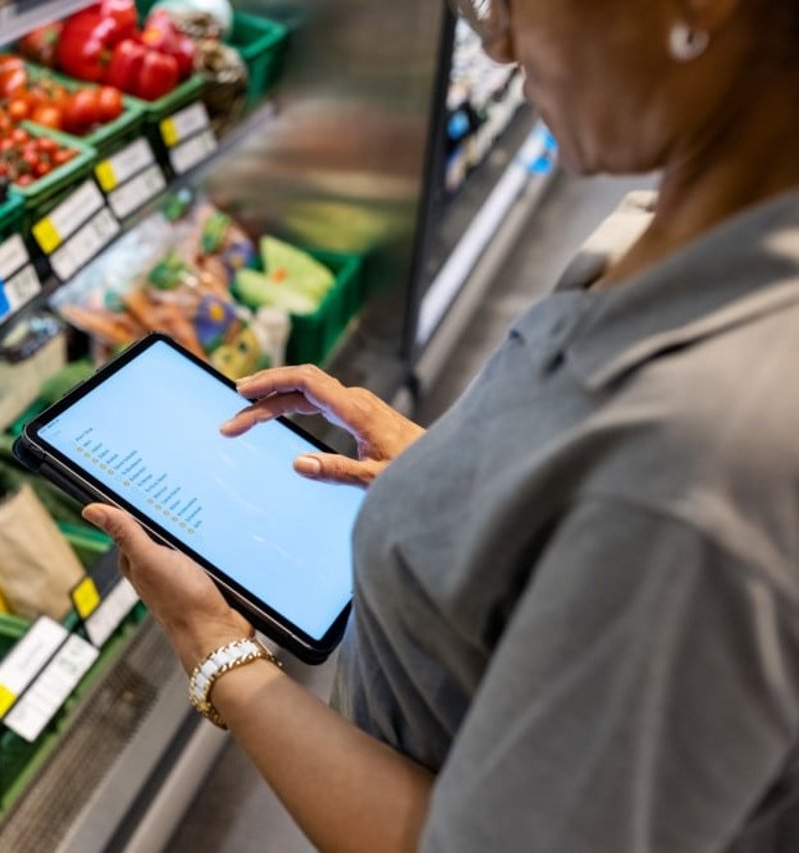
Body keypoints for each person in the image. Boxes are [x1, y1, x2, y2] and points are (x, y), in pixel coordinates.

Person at [81, 0, 799, 850]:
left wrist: (217, 650)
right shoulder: (692, 229)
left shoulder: (703, 461)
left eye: (512, 1)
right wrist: (464, 479)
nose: (496, 45)